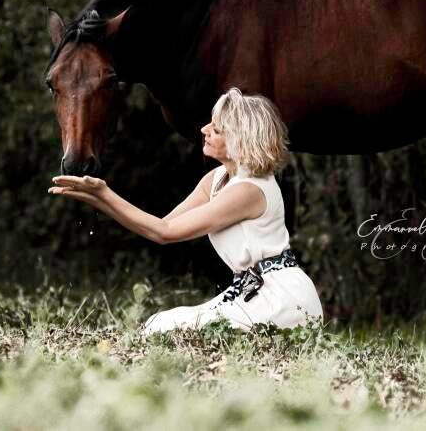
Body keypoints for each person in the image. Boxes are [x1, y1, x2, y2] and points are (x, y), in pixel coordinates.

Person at [48, 87, 324, 335]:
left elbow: (164, 233)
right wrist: (98, 198)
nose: (204, 129)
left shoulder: (249, 191)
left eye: (216, 129)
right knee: (158, 324)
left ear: (240, 139)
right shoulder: (216, 179)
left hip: (282, 299)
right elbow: (161, 224)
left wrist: (104, 193)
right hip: (250, 292)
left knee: (170, 331)